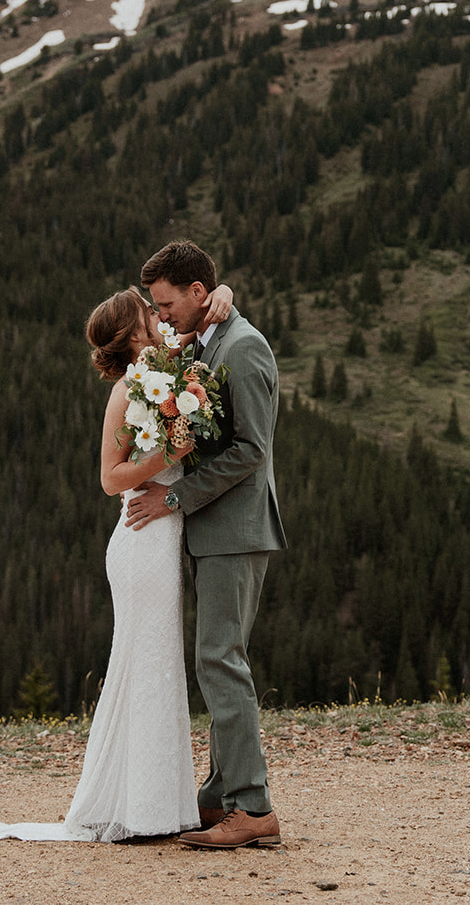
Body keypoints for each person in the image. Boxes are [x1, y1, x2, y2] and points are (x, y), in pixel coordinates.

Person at [0, 280, 233, 843]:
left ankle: (155, 804)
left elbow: (211, 310)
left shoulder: (165, 369)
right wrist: (171, 454)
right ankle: (142, 810)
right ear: (134, 328)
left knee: (159, 664)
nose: (158, 313)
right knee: (146, 663)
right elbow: (110, 479)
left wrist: (226, 291)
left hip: (163, 535)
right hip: (140, 541)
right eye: (148, 309)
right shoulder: (126, 389)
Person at [125, 239, 286, 850]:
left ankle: (253, 808)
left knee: (220, 660)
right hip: (216, 533)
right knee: (218, 658)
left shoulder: (243, 349)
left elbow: (251, 451)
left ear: (198, 294)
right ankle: (221, 794)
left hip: (235, 530)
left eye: (167, 304)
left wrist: (174, 498)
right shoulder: (209, 338)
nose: (161, 316)